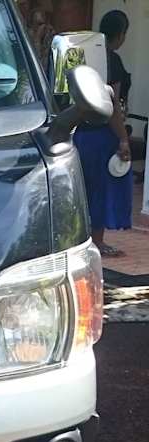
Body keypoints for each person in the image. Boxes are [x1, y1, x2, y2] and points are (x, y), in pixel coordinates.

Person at [74, 9, 133, 257]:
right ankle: (97, 241)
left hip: (80, 133)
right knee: (102, 188)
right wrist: (123, 139)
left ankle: (80, 240)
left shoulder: (84, 57)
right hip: (102, 133)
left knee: (84, 188)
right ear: (120, 34)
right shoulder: (112, 60)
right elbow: (112, 104)